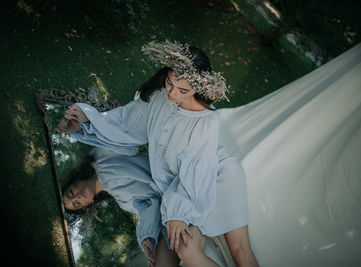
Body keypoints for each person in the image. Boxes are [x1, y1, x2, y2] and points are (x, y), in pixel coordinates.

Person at [57, 40, 259, 267]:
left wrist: (177, 213)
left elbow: (197, 168)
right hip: (178, 186)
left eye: (183, 90)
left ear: (198, 89)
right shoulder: (159, 95)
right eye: (170, 82)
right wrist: (88, 119)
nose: (173, 92)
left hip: (215, 177)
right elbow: (127, 122)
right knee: (164, 260)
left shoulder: (207, 120)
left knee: (240, 251)